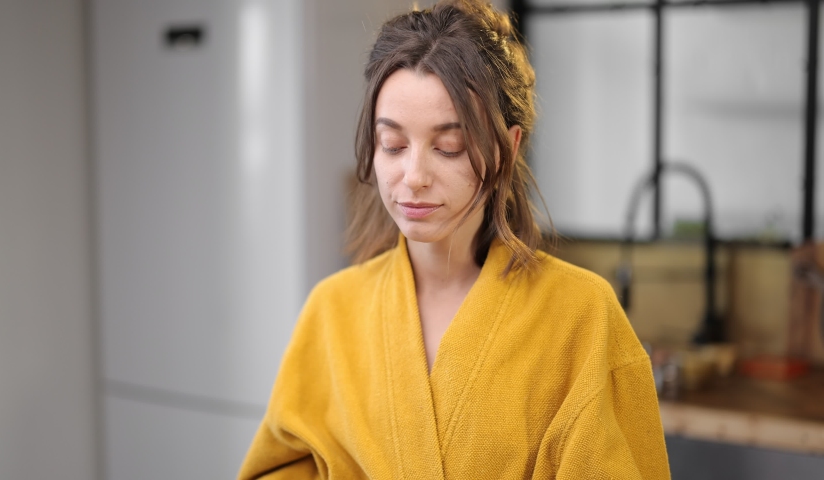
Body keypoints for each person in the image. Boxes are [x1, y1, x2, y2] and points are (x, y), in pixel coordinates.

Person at [239, 1, 670, 478]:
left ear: (508, 148)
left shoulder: (583, 316)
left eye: (450, 147)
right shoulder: (331, 311)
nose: (414, 176)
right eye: (393, 146)